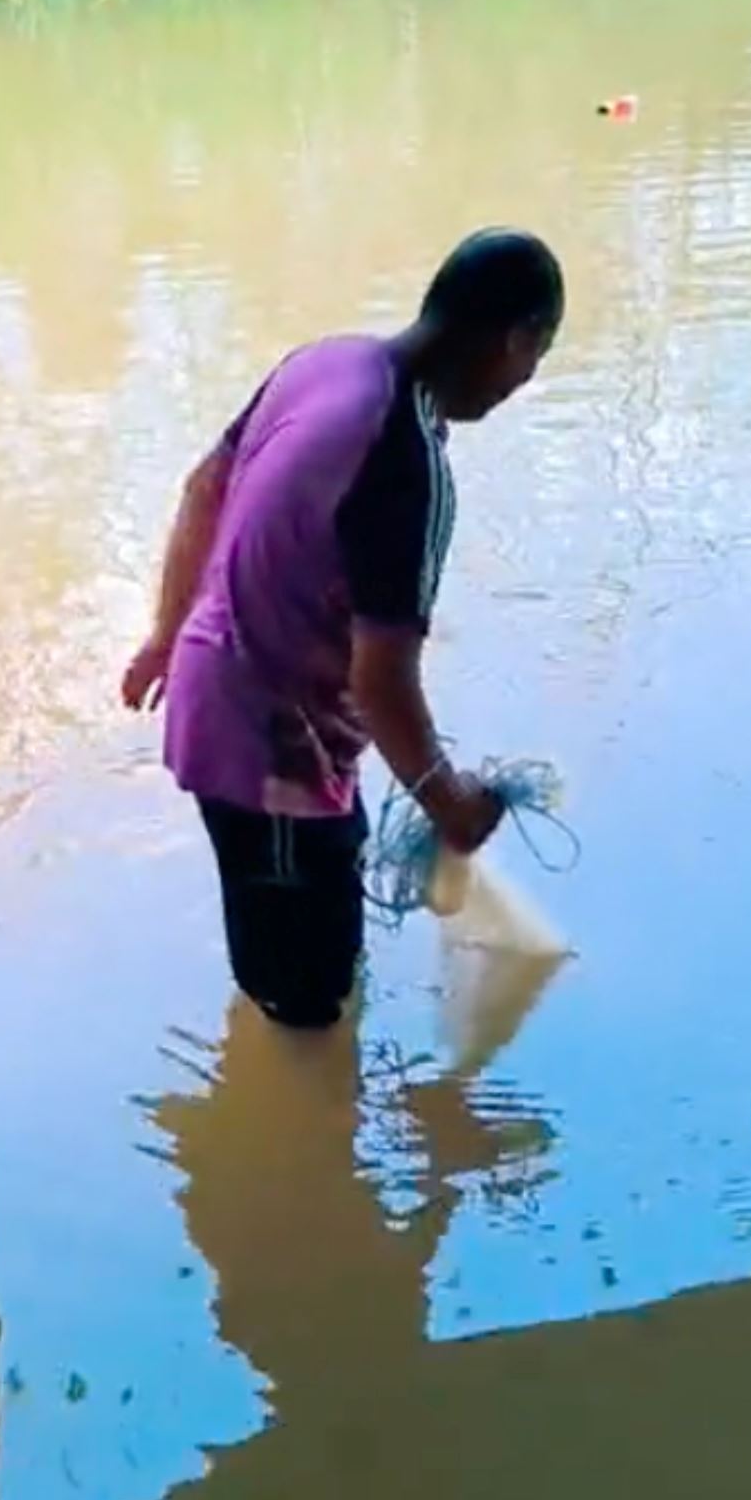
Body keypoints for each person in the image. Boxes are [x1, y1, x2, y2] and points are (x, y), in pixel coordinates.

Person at [120, 228, 565, 1028]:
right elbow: (381, 678)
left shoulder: (325, 362)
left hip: (220, 702)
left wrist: (162, 636)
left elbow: (202, 488)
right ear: (516, 340)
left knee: (310, 932)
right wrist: (450, 804)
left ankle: (294, 1110)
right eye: (535, 358)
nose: (524, 382)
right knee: (305, 1002)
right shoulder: (406, 461)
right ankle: (283, 1137)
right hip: (269, 755)